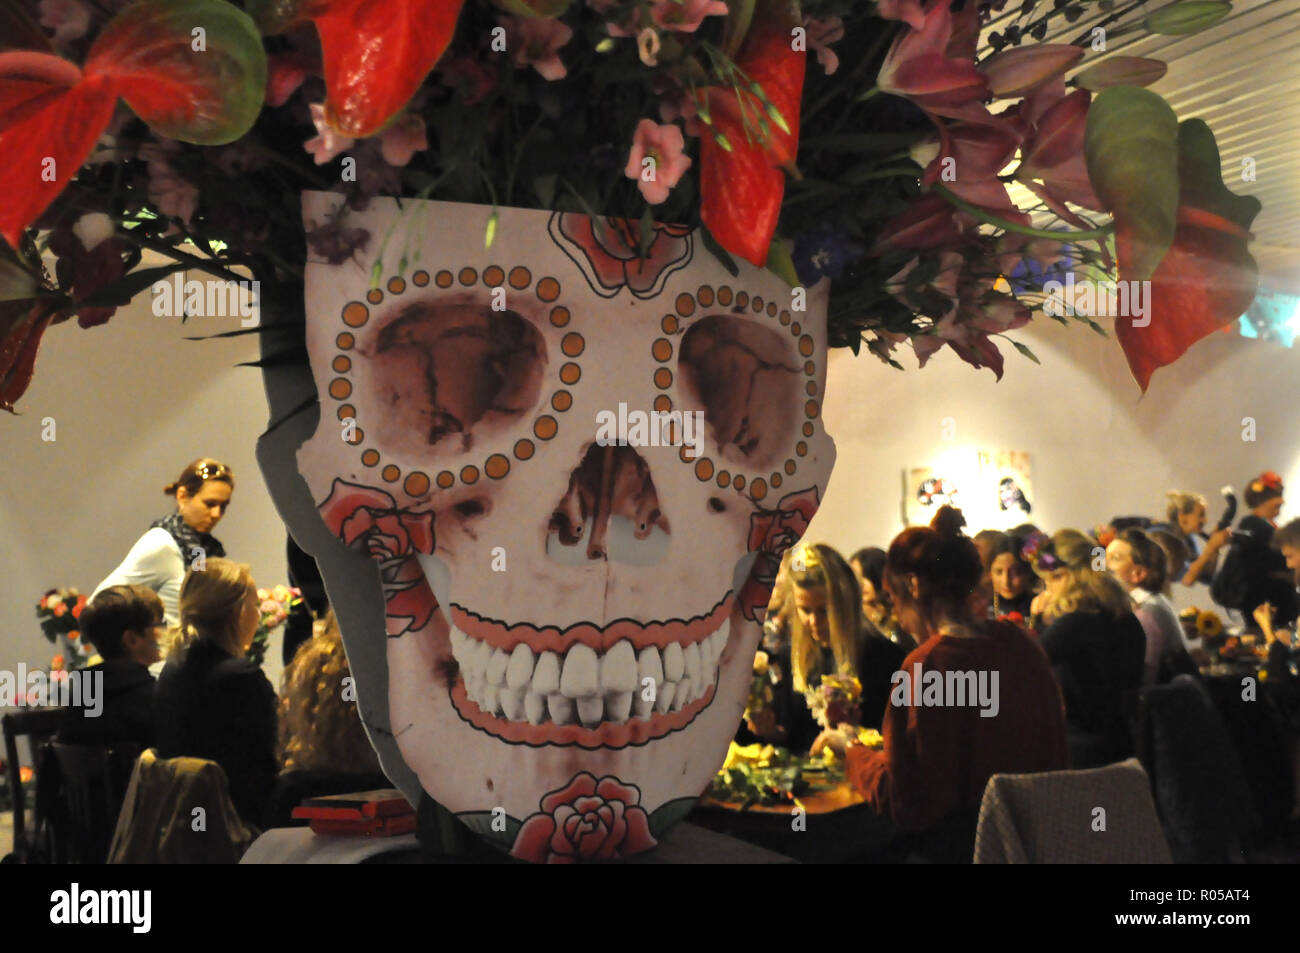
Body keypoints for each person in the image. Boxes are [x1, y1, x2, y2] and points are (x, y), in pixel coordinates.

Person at [841, 507, 1068, 858]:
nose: (898, 617)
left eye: (893, 599)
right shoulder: (1021, 643)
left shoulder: (927, 666)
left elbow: (906, 801)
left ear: (913, 587)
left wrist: (850, 751)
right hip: (1039, 842)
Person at [155, 558, 277, 830]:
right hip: (239, 827)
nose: (258, 615)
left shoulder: (171, 670)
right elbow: (277, 753)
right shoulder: (239, 677)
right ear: (236, 612)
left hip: (186, 826)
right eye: (254, 605)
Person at [745, 544, 903, 753]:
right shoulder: (790, 655)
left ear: (845, 604)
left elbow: (897, 742)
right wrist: (769, 730)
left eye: (824, 610)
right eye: (805, 610)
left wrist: (851, 744)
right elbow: (790, 736)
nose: (814, 621)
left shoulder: (884, 657)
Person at [1028, 529, 1146, 768]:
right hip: (1126, 744)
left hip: (1081, 750)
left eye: (1056, 578)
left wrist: (1037, 622)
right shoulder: (1127, 618)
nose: (1049, 590)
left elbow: (1027, 668)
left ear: (1079, 575)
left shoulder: (1072, 626)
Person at [93, 459, 234, 626]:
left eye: (223, 506)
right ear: (182, 496)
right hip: (168, 650)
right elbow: (98, 604)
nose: (217, 514)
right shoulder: (161, 543)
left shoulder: (205, 549)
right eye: (209, 504)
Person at [58, 585, 166, 750]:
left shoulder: (80, 699)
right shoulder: (154, 699)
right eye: (159, 625)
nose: (165, 631)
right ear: (131, 639)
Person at [1105, 528, 1198, 685]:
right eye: (1104, 557)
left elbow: (1144, 679)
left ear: (1138, 573)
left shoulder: (1147, 613)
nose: (1104, 566)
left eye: (1115, 558)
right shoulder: (1149, 604)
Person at [1211, 471, 1297, 631]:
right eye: (1277, 495)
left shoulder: (1253, 526)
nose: (1282, 500)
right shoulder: (1258, 528)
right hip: (1269, 607)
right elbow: (1281, 564)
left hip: (1261, 605)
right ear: (1263, 500)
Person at [849, 546, 914, 651]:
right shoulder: (856, 619)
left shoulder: (901, 613)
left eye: (866, 575)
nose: (861, 584)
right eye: (856, 579)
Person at [983, 532, 1037, 622]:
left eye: (1015, 573)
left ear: (1028, 571)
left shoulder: (1042, 608)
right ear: (990, 573)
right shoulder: (981, 607)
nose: (1006, 581)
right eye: (999, 572)